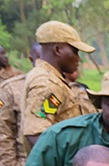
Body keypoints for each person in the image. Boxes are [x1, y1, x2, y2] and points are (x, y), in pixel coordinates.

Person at [22, 20, 95, 148]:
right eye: (75, 51)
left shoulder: (50, 77)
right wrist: (62, 164)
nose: (78, 59)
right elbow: (36, 134)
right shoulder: (47, 82)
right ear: (57, 50)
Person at [0, 43, 41, 166]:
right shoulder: (11, 88)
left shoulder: (71, 89)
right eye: (41, 59)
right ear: (31, 59)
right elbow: (0, 129)